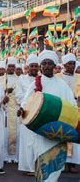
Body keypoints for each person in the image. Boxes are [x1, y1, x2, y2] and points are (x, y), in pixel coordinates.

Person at [18, 50, 76, 181]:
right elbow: (26, 103)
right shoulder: (35, 84)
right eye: (44, 63)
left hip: (57, 130)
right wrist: (22, 110)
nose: (47, 66)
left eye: (50, 63)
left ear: (54, 65)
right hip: (41, 131)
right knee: (43, 163)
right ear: (41, 66)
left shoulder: (61, 84)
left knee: (55, 167)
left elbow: (71, 103)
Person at [60, 53, 80, 172]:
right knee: (62, 135)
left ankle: (72, 164)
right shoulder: (58, 77)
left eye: (73, 64)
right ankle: (61, 163)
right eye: (69, 64)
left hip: (76, 111)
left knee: (74, 134)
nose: (71, 66)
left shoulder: (79, 77)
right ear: (64, 65)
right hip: (62, 110)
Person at [0, 57, 19, 163]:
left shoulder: (19, 79)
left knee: (14, 132)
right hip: (4, 109)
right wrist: (5, 91)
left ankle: (14, 156)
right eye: (9, 66)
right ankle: (4, 155)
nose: (11, 68)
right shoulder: (0, 79)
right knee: (4, 133)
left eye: (12, 66)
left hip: (15, 109)